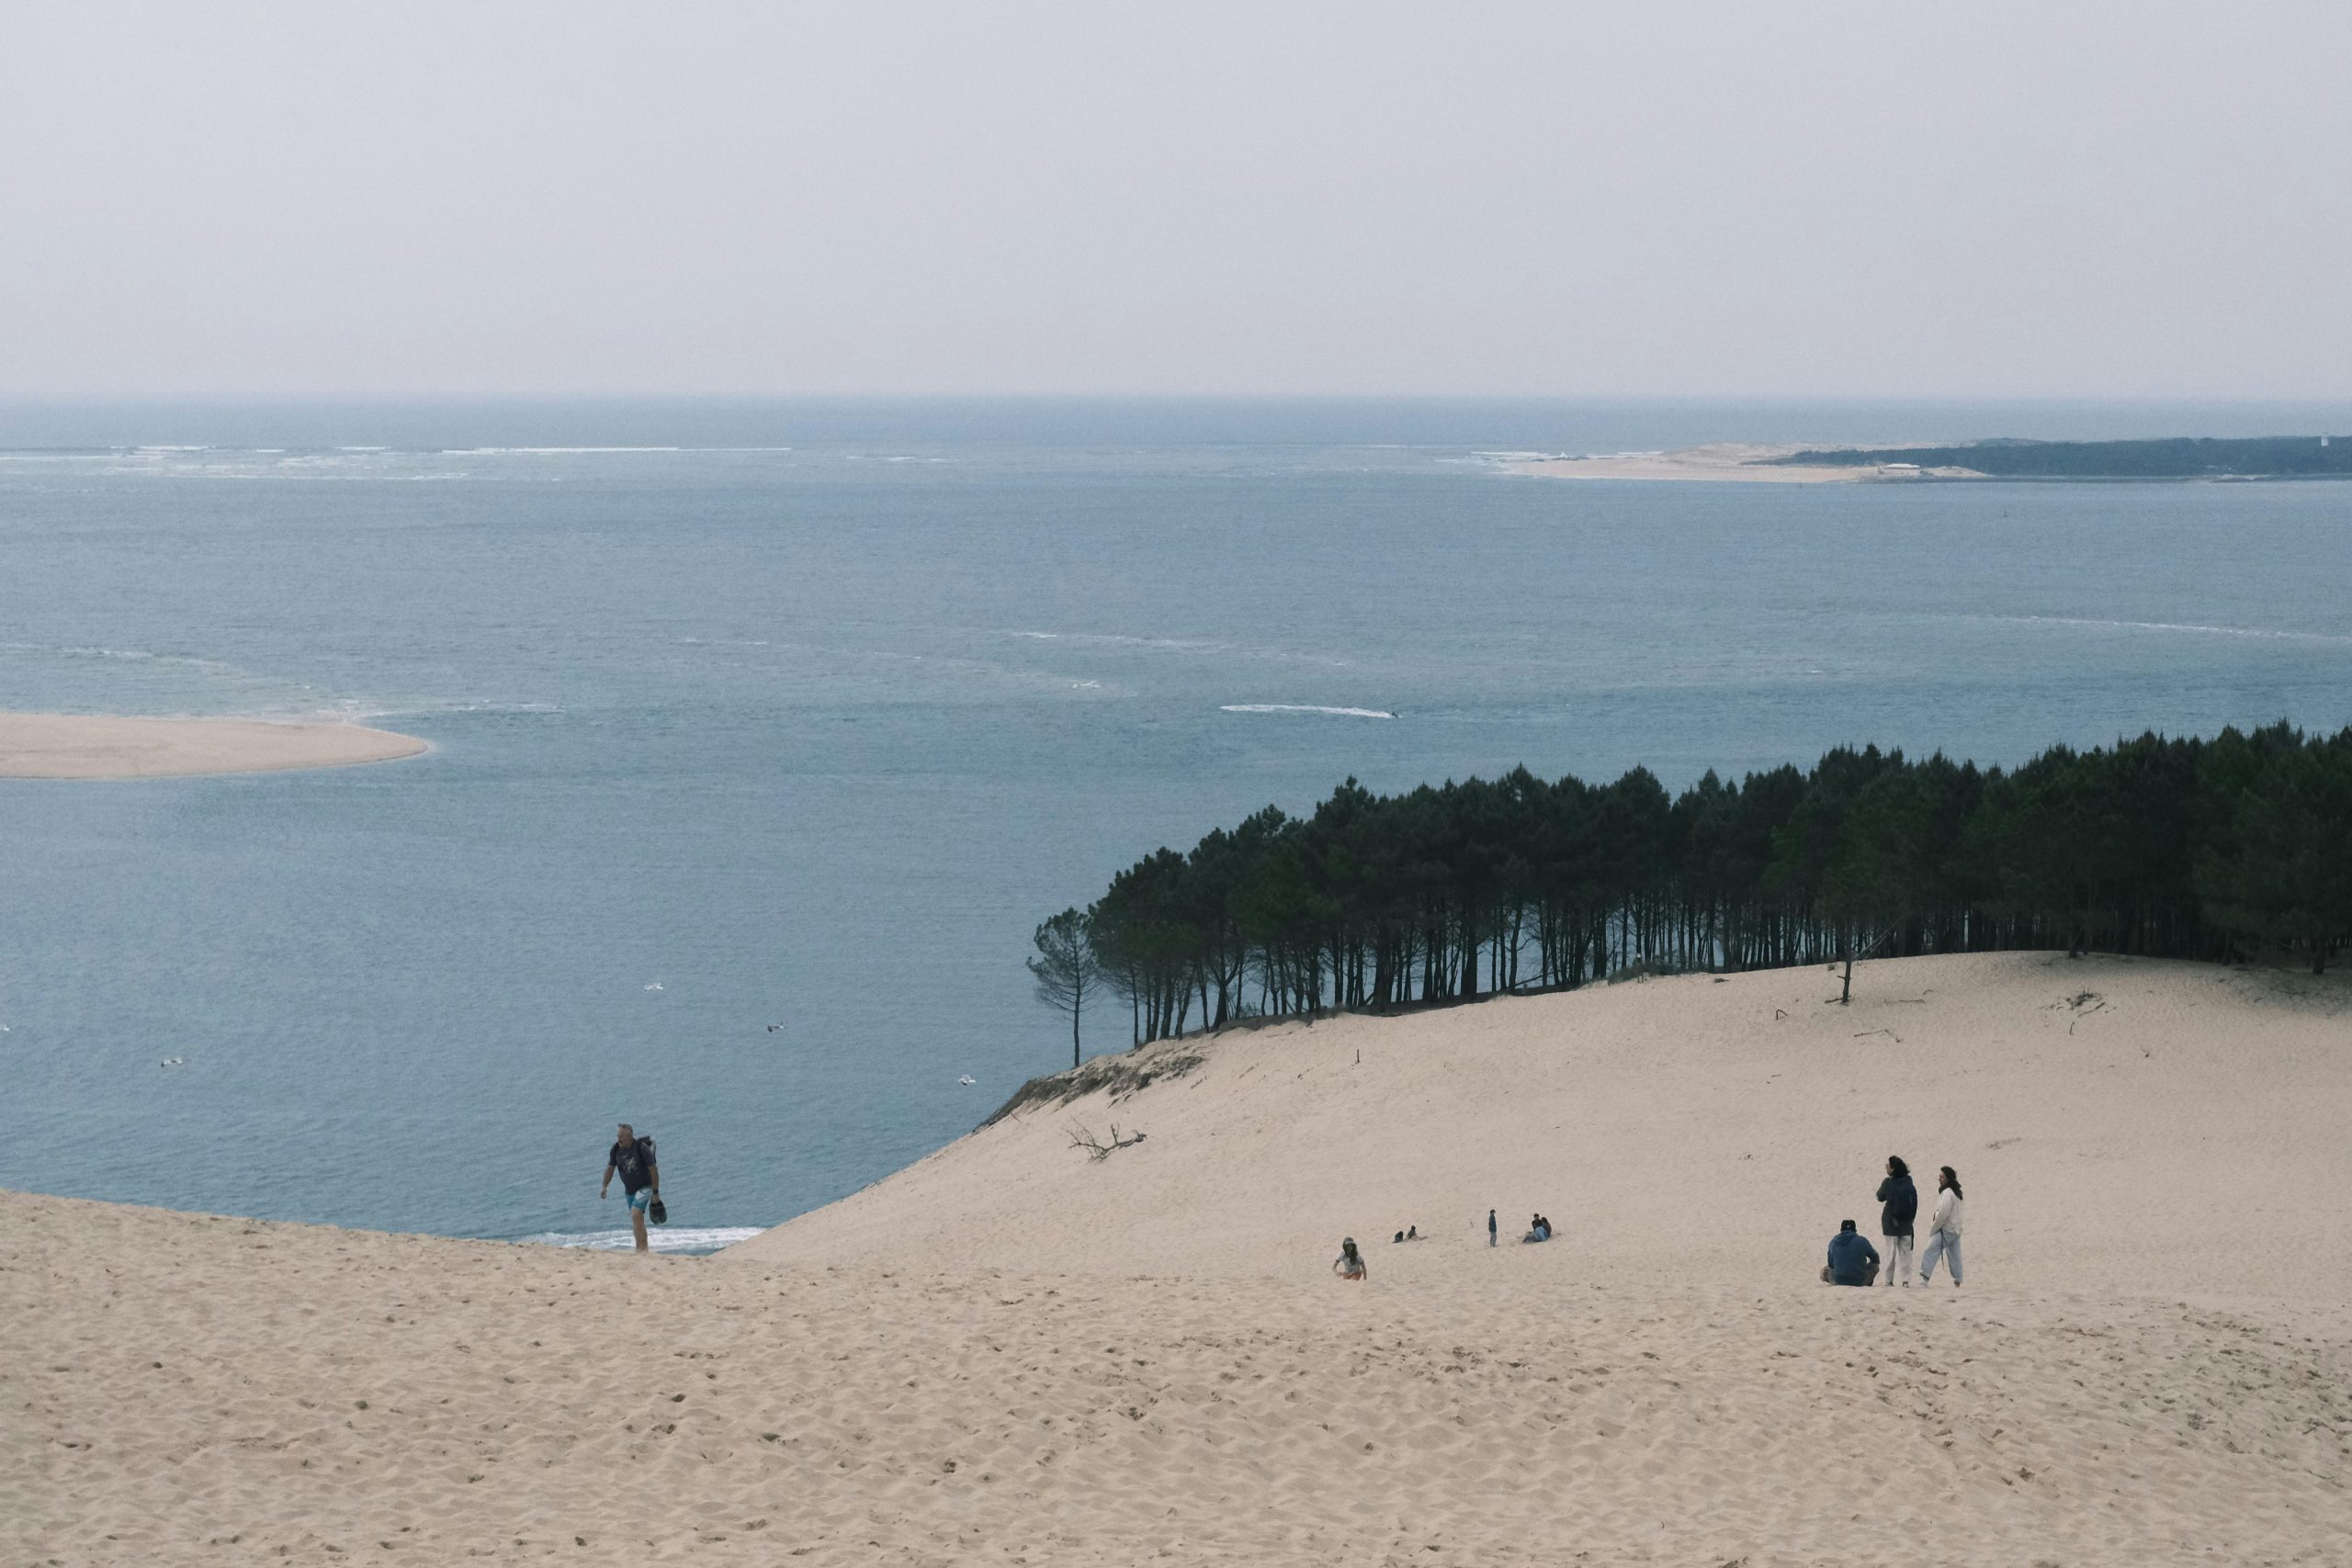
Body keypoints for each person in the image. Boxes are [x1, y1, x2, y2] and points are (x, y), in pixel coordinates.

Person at [599, 1122, 661, 1254]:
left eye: (622, 1137)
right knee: (637, 1219)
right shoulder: (615, 1149)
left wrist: (655, 1192)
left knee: (635, 1212)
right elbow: (610, 1169)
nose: (619, 1139)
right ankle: (644, 1250)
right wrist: (604, 1186)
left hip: (646, 1186)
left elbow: (653, 1170)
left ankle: (639, 1250)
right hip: (630, 1191)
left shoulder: (641, 1148)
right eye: (618, 1136)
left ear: (630, 1137)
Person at [1918, 1167, 1965, 1286]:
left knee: (1930, 1249)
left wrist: (1933, 1229)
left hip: (1947, 1229)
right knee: (1955, 1255)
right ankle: (1958, 1280)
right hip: (1955, 1229)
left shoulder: (1948, 1193)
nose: (1939, 1178)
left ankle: (1924, 1279)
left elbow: (1943, 1213)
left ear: (1948, 1179)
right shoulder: (1956, 1192)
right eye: (1939, 1176)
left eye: (1942, 1177)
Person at [1876, 1156, 1918, 1287]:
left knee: (1891, 1252)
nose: (1886, 1166)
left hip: (1890, 1223)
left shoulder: (1888, 1183)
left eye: (1888, 1165)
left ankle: (1889, 1280)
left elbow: (1880, 1197)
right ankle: (1905, 1280)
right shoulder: (1909, 1182)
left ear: (1893, 1169)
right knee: (1906, 1252)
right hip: (1906, 1223)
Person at [1822, 1219, 1881, 1286]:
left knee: (1824, 1271)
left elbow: (1831, 1264)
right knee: (1875, 1265)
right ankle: (1868, 1282)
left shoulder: (1834, 1242)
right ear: (1855, 1230)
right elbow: (1875, 1257)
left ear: (1841, 1230)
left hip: (1839, 1281)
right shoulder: (1862, 1241)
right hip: (1860, 1281)